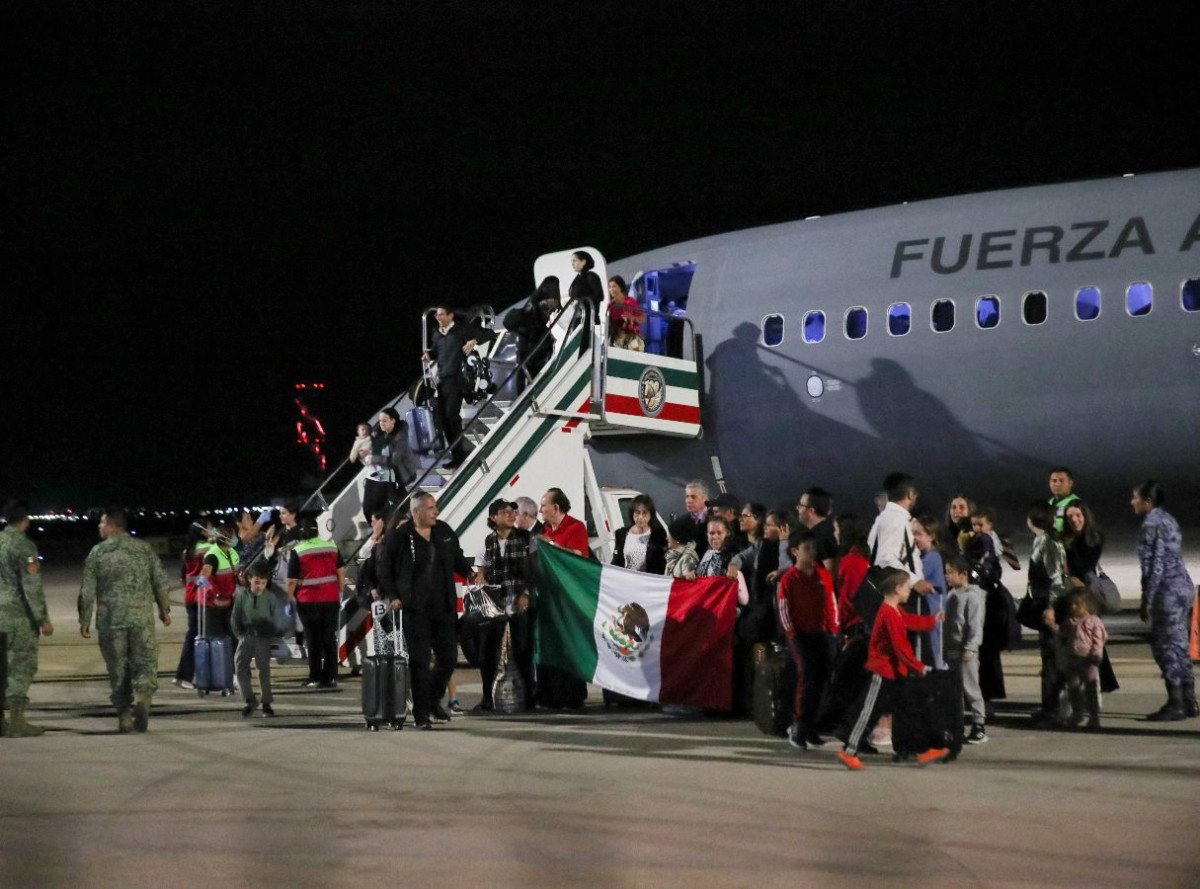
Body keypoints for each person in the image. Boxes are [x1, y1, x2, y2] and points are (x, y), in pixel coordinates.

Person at [836, 567, 948, 770]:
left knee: (908, 710)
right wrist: (919, 667)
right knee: (868, 712)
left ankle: (921, 750)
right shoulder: (889, 613)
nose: (909, 591)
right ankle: (849, 751)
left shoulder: (893, 610)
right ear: (897, 589)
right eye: (907, 588)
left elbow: (909, 621)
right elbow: (900, 647)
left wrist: (931, 620)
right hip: (883, 673)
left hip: (894, 673)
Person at [379, 493, 473, 728]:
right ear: (416, 511)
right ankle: (422, 715)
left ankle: (432, 700)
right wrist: (393, 595)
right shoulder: (400, 537)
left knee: (449, 660)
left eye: (435, 507)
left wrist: (470, 573)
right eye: (430, 508)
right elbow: (384, 570)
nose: (436, 512)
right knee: (419, 663)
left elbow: (458, 558)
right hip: (415, 610)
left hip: (444, 607)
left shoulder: (444, 531)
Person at [78, 509, 172, 733]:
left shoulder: (98, 552)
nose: (99, 527)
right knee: (145, 663)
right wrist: (164, 609)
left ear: (112, 526)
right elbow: (159, 580)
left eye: (102, 523)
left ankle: (124, 716)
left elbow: (87, 589)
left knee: (117, 669)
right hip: (141, 619)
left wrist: (84, 620)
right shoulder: (144, 549)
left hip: (111, 621)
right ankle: (143, 698)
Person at [1132, 481, 1198, 721]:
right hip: (1183, 587)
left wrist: (1146, 599)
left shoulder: (1151, 524)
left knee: (1164, 647)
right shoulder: (1169, 520)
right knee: (1179, 644)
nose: (1132, 502)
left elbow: (1155, 565)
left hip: (1166, 591)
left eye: (1135, 498)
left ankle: (1176, 702)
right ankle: (1189, 700)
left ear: (1148, 502)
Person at [472, 499, 535, 712]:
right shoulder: (488, 542)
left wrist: (526, 594)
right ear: (493, 518)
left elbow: (534, 570)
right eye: (505, 512)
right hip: (495, 603)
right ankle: (487, 697)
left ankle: (529, 699)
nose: (511, 515)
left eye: (512, 512)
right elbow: (481, 572)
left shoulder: (526, 539)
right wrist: (482, 580)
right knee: (488, 652)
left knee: (523, 650)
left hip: (519, 601)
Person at [778, 535, 838, 750]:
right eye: (807, 548)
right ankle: (799, 727)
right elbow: (784, 609)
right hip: (800, 636)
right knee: (807, 678)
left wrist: (834, 628)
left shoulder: (822, 574)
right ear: (795, 551)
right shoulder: (789, 579)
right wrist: (792, 634)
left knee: (822, 679)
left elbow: (832, 602)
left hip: (822, 634)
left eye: (814, 548)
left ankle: (811, 727)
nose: (812, 552)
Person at [0, 501, 54, 737]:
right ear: (26, 520)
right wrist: (42, 619)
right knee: (21, 666)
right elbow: (31, 586)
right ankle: (17, 721)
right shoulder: (24, 545)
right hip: (17, 616)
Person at [286, 520, 345, 689]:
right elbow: (341, 573)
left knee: (313, 640)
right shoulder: (332, 547)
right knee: (329, 638)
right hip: (331, 599)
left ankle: (315, 677)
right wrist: (339, 593)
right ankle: (331, 677)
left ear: (302, 534)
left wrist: (288, 600)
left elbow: (291, 581)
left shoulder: (298, 551)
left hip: (308, 601)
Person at [1026, 501, 1071, 725]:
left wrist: (1051, 609)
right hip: (1046, 604)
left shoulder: (1048, 541)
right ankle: (1051, 707)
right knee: (1049, 659)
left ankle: (1053, 710)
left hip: (1051, 606)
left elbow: (1055, 579)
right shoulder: (1046, 539)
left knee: (1052, 660)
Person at [423, 306, 476, 468]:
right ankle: (457, 453)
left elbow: (479, 335)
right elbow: (436, 352)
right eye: (437, 315)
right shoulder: (437, 334)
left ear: (450, 316)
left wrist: (473, 341)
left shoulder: (460, 330)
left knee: (452, 416)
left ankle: (461, 452)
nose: (438, 318)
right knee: (444, 420)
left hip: (457, 377)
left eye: (441, 315)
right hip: (443, 379)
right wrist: (429, 355)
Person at [943, 555, 987, 744]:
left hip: (966, 650)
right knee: (954, 690)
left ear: (963, 574)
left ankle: (979, 725)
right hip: (951, 648)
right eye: (946, 573)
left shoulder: (972, 597)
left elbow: (975, 624)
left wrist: (970, 647)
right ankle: (956, 725)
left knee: (971, 687)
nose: (947, 577)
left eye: (951, 573)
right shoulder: (951, 594)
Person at [232, 562, 284, 717]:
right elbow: (235, 617)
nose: (260, 586)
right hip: (246, 636)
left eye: (263, 583)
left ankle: (266, 702)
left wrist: (270, 631)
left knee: (263, 669)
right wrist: (240, 634)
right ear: (249, 579)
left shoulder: (270, 598)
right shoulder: (242, 596)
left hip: (262, 637)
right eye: (257, 582)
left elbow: (276, 618)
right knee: (240, 666)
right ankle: (249, 699)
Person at [1053, 589, 1107, 729]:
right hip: (1073, 659)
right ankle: (1077, 712)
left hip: (1089, 661)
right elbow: (1061, 634)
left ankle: (1094, 715)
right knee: (1073, 687)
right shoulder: (1070, 621)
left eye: (1077, 604)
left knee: (1091, 687)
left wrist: (1096, 656)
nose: (1073, 607)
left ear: (1088, 605)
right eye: (1071, 604)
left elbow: (1099, 640)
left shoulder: (1094, 622)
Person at [172, 519, 212, 690]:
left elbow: (183, 578)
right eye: (210, 528)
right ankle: (184, 675)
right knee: (198, 636)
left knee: (195, 635)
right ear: (203, 531)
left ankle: (189, 675)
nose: (213, 531)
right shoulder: (208, 549)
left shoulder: (187, 551)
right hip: (202, 598)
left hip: (190, 597)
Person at [504, 278, 560, 393]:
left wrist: (548, 335)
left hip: (525, 344)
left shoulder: (533, 302)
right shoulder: (540, 305)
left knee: (522, 371)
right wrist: (547, 336)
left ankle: (522, 398)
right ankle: (527, 398)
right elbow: (536, 324)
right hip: (532, 346)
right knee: (531, 373)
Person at [362, 409, 418, 520]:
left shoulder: (400, 437)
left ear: (393, 421)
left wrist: (374, 458)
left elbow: (394, 460)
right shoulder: (384, 433)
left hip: (403, 471)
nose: (381, 423)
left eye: (384, 421)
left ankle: (409, 514)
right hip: (390, 471)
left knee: (391, 492)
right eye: (380, 421)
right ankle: (402, 514)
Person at [910, 516, 947, 670]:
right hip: (927, 611)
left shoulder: (932, 557)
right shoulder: (923, 556)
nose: (914, 538)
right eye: (912, 534)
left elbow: (917, 577)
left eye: (918, 534)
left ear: (931, 536)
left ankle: (939, 673)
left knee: (934, 647)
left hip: (933, 611)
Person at [612, 495, 667, 574]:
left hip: (648, 583)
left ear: (650, 515)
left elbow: (665, 562)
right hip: (626, 582)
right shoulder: (621, 534)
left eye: (644, 513)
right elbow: (616, 562)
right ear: (632, 513)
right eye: (637, 512)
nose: (640, 517)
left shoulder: (658, 535)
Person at [797, 487, 838, 576]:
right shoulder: (829, 529)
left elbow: (830, 571)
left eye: (801, 505)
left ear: (811, 510)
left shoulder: (822, 535)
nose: (797, 509)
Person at [539, 487, 589, 557]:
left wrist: (550, 543)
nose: (540, 510)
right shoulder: (544, 528)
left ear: (556, 508)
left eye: (543, 506)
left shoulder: (576, 527)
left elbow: (577, 558)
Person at [607, 275, 645, 350]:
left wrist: (632, 318)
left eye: (614, 286)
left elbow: (642, 319)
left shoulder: (630, 302)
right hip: (617, 339)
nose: (611, 289)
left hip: (631, 337)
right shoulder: (610, 305)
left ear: (620, 287)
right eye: (609, 287)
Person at [568, 250, 604, 314]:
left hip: (589, 318)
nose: (572, 264)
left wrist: (580, 301)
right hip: (578, 317)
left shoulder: (591, 276)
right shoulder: (577, 279)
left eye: (575, 261)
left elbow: (599, 296)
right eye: (571, 261)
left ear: (583, 262)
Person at [682, 480, 712, 554]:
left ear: (705, 498)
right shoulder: (690, 519)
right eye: (687, 497)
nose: (689, 500)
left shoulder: (712, 519)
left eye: (693, 497)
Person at [1048, 467, 1080, 534]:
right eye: (1054, 481)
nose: (1057, 484)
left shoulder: (1075, 504)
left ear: (1070, 483)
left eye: (1061, 481)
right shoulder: (1049, 503)